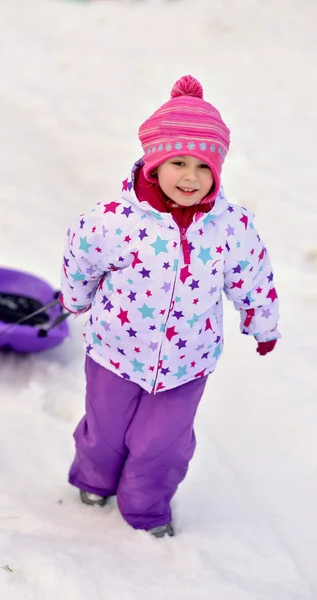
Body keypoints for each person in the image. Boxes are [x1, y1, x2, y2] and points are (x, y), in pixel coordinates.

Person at [59, 74, 280, 538]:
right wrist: (75, 298)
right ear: (155, 164)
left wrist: (262, 323)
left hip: (187, 362)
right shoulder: (114, 222)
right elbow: (81, 256)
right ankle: (95, 479)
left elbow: (254, 277)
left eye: (204, 167)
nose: (191, 177)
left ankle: (146, 508)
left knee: (162, 445)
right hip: (113, 353)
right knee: (105, 430)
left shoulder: (231, 228)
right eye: (178, 162)